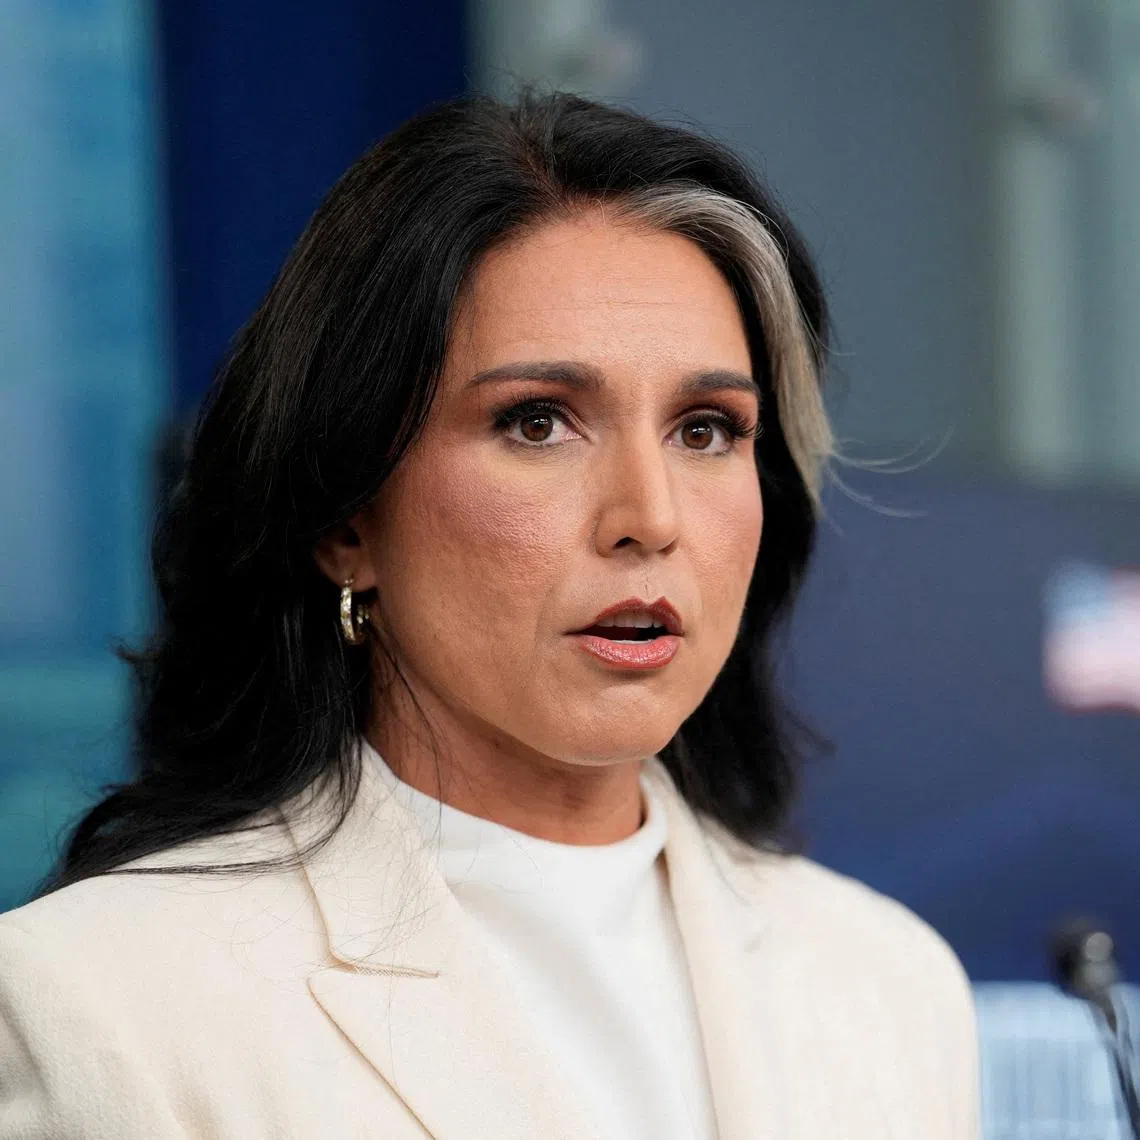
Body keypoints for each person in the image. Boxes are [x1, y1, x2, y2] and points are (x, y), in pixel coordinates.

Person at [0, 92, 979, 1139]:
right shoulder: (95, 1005)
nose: (648, 518)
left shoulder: (893, 985)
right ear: (347, 521)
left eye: (705, 429)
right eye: (538, 422)